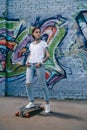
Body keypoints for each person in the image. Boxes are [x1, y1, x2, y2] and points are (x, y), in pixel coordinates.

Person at [25, 27, 50, 113]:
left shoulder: (43, 43)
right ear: (33, 34)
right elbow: (30, 54)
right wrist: (27, 61)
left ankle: (47, 104)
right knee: (28, 83)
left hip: (39, 65)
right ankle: (31, 101)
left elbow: (48, 55)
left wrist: (41, 62)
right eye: (36, 32)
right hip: (30, 65)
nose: (39, 33)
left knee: (42, 85)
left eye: (39, 32)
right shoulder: (31, 44)